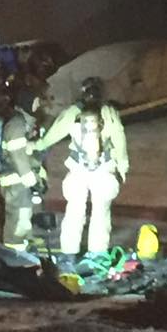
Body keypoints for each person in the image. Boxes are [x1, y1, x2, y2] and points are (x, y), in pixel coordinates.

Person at [40, 76, 128, 270]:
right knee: (100, 212)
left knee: (74, 212)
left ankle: (69, 254)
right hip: (103, 169)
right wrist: (123, 167)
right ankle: (97, 255)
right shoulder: (109, 112)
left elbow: (55, 132)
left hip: (78, 170)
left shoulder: (73, 112)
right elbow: (119, 138)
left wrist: (39, 145)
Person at [0, 80, 49, 255]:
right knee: (18, 218)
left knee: (24, 215)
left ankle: (25, 244)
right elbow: (17, 155)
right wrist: (30, 178)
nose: (38, 104)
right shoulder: (17, 125)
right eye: (35, 101)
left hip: (21, 181)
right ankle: (14, 252)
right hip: (16, 181)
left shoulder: (24, 122)